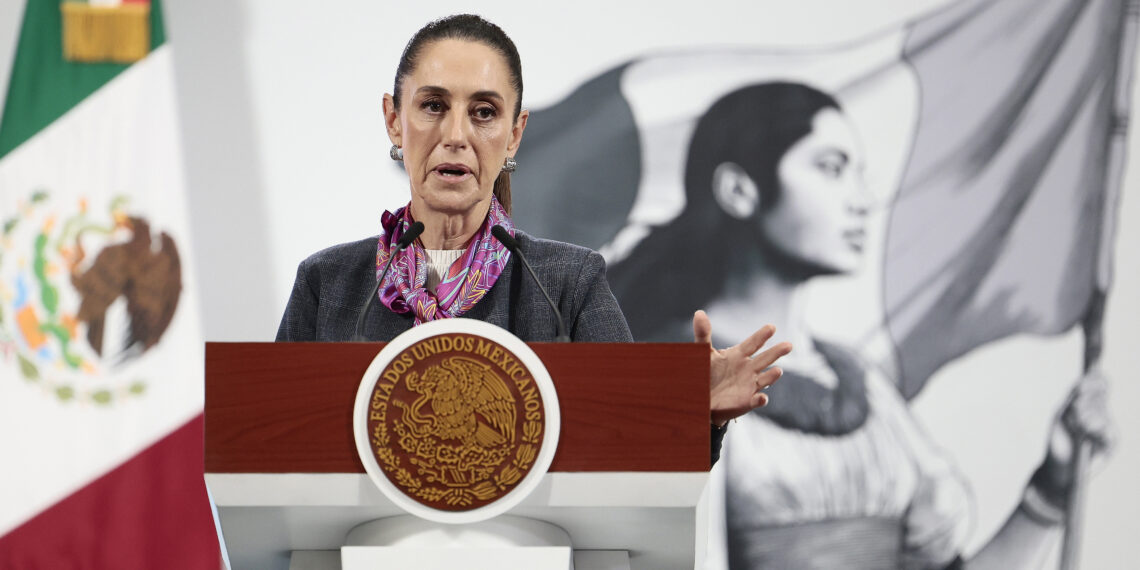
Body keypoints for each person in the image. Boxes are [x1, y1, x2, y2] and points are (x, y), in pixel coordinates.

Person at [607, 82, 1112, 569]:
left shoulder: (863, 384)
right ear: (740, 190)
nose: (862, 200)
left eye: (858, 173)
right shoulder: (668, 377)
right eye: (831, 168)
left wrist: (1051, 488)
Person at [274, 14, 791, 458]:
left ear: (515, 133)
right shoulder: (328, 285)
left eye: (483, 112)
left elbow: (632, 456)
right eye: (432, 105)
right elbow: (272, 453)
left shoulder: (568, 284)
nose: (455, 135)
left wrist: (698, 416)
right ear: (393, 119)